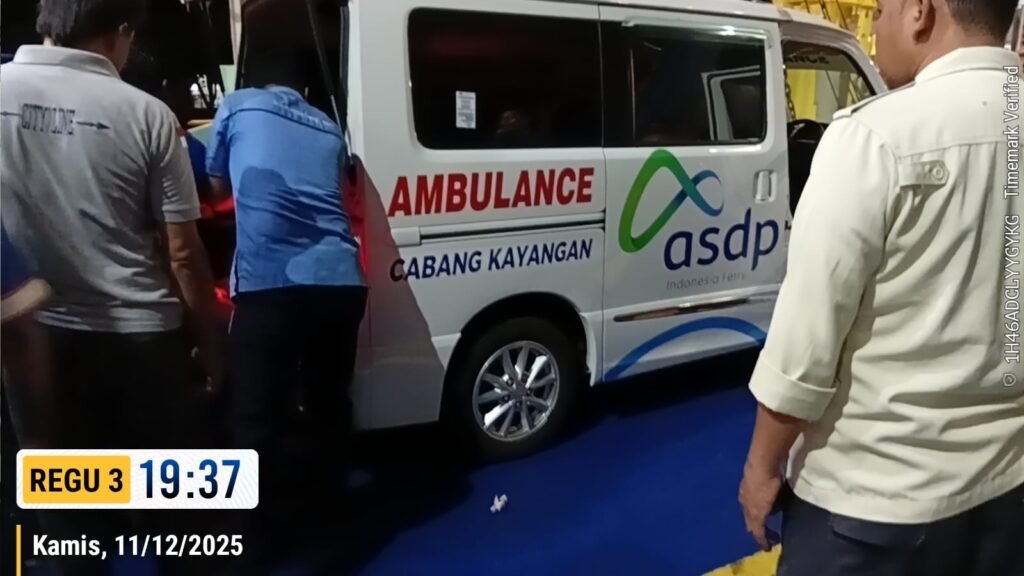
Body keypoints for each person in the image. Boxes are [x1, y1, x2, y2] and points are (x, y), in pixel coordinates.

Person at [738, 0, 1024, 574]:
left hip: (872, 505)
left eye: (883, 10)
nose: (876, 25)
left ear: (920, 12)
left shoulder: (874, 136)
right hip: (1008, 490)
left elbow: (806, 342)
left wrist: (760, 468)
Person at [0, 0, 222, 573]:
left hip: (36, 341)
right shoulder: (146, 114)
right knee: (173, 518)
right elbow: (183, 253)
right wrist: (213, 347)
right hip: (142, 344)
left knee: (69, 517)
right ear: (121, 32)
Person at [205, 46, 366, 571]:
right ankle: (331, 516)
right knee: (328, 402)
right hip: (342, 281)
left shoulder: (237, 105)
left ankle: (253, 543)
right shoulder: (329, 127)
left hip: (272, 282)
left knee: (254, 416)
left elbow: (217, 184)